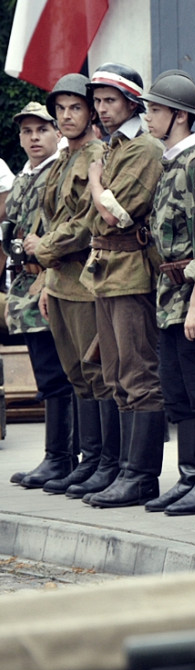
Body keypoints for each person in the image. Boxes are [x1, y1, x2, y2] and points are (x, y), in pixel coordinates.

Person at [133, 70, 195, 516]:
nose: (149, 118)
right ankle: (190, 475)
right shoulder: (170, 164)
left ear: (178, 116)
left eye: (155, 110)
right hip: (167, 298)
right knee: (179, 395)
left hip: (192, 299)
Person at [79, 63, 166, 509]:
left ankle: (141, 475)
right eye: (98, 101)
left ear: (132, 102)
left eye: (110, 100)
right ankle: (121, 469)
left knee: (138, 373)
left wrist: (96, 179)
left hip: (131, 269)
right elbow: (93, 214)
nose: (101, 109)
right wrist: (100, 195)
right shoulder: (114, 147)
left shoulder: (143, 147)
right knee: (114, 375)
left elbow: (114, 213)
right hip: (106, 268)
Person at [33, 74, 119, 499]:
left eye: (76, 108)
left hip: (88, 281)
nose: (67, 116)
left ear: (90, 113)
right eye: (61, 109)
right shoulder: (64, 158)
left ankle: (107, 463)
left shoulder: (96, 155)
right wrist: (48, 279)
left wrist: (43, 248)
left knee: (98, 372)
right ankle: (88, 460)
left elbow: (86, 222)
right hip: (62, 281)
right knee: (76, 375)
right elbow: (52, 216)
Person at [2, 102, 74, 490]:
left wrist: (45, 275)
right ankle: (60, 456)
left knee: (58, 375)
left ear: (56, 134)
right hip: (25, 288)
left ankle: (61, 458)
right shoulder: (26, 177)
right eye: (27, 132)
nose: (33, 138)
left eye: (41, 130)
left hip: (48, 283)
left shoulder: (56, 175)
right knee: (48, 375)